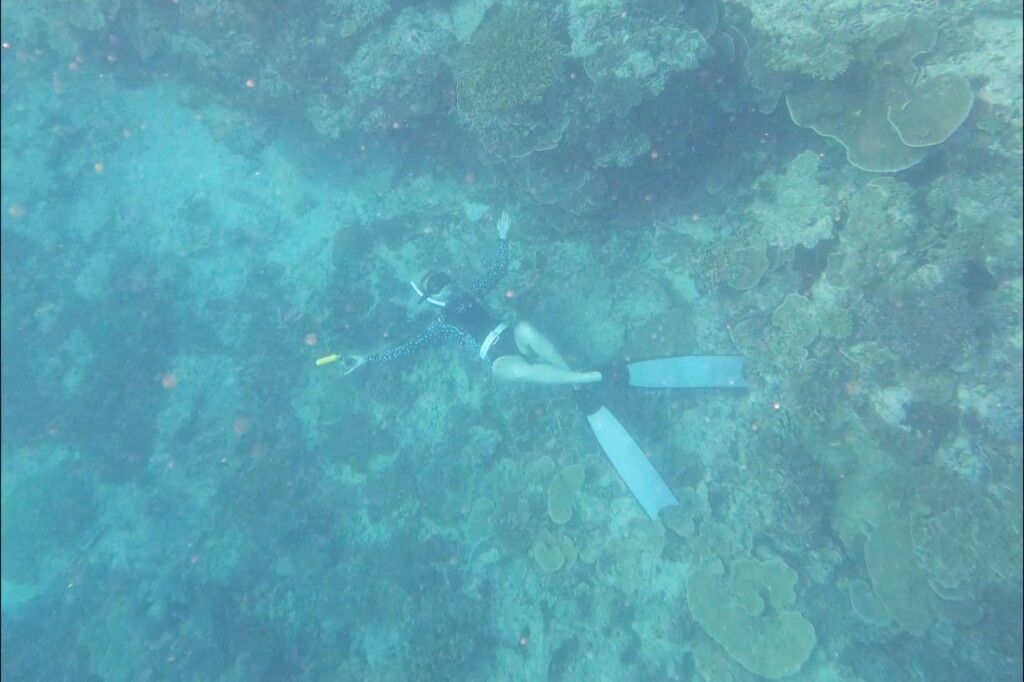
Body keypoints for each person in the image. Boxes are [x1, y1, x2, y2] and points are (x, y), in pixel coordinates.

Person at [339, 211, 603, 385]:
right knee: (522, 371)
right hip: (499, 361)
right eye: (436, 285)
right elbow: (406, 349)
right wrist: (366, 359)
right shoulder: (442, 324)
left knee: (526, 328)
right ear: (428, 297)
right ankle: (577, 379)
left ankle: (576, 381)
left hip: (512, 337)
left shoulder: (471, 294)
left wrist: (503, 238)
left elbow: (498, 271)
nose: (445, 284)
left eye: (442, 278)